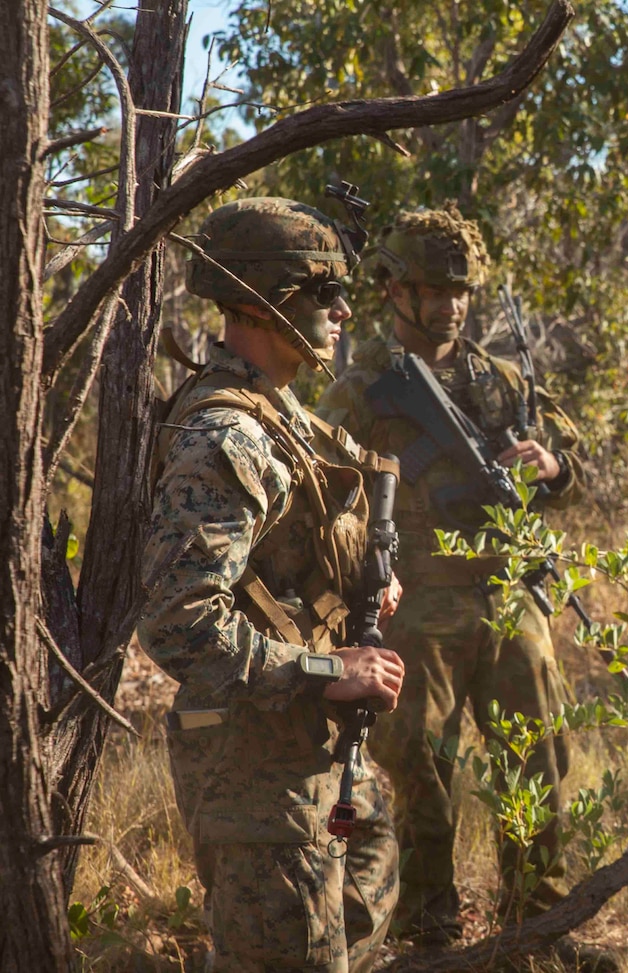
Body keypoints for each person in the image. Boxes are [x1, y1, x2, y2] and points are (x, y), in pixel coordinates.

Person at [138, 196, 405, 972]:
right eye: (323, 294)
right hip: (257, 782)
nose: (343, 310)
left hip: (314, 759)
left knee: (361, 909)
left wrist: (366, 585)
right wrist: (329, 670)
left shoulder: (283, 414)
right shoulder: (228, 435)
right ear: (261, 303)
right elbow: (180, 623)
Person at [316, 206, 585, 944]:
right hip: (416, 603)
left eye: (462, 289)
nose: (452, 303)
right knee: (421, 773)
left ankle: (537, 928)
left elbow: (569, 456)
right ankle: (428, 932)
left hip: (506, 598)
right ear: (395, 290)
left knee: (537, 758)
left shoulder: (498, 381)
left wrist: (551, 466)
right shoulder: (365, 387)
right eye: (436, 288)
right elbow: (315, 485)